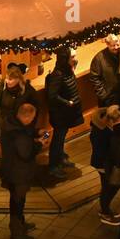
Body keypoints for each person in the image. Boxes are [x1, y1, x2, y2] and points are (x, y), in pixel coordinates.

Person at [1, 102, 43, 239]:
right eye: (32, 118)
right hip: (19, 173)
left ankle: (20, 224)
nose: (33, 120)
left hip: (11, 169)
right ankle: (17, 233)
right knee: (17, 203)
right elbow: (26, 154)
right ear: (26, 117)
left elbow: (26, 131)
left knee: (17, 201)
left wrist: (37, 132)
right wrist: (39, 144)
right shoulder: (19, 135)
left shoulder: (10, 123)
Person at [45, 46, 83, 176]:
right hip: (60, 114)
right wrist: (68, 102)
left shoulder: (67, 69)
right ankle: (53, 166)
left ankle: (60, 158)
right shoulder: (58, 75)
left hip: (66, 113)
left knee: (61, 138)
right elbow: (52, 95)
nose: (75, 59)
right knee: (58, 139)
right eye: (72, 57)